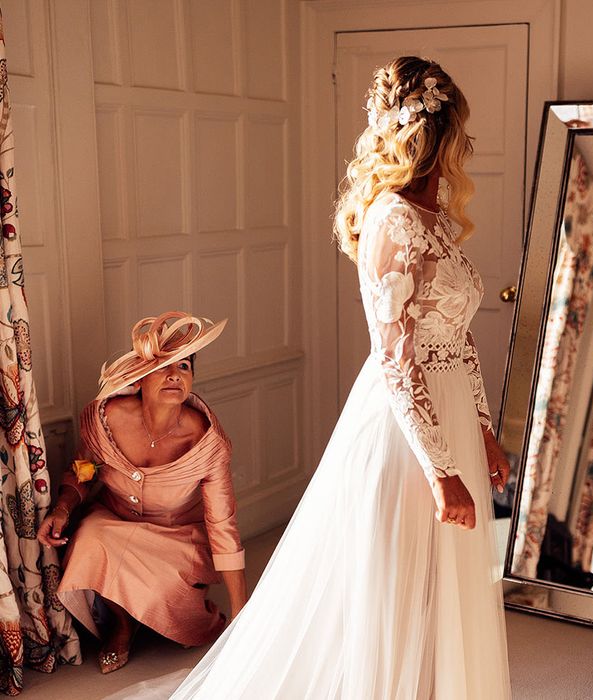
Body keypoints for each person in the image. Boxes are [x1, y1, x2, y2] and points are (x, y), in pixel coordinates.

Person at [124, 55, 512, 699]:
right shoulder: (391, 219)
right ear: (430, 137)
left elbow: (461, 342)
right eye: (459, 133)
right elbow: (395, 359)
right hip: (403, 431)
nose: (466, 147)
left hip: (450, 422)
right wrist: (440, 470)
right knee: (387, 590)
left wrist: (484, 431)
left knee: (446, 590)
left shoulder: (439, 222)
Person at [37, 312, 246, 674]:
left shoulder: (207, 443)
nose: (175, 375)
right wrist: (62, 509)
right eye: (163, 366)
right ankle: (121, 624)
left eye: (184, 366)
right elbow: (81, 472)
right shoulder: (106, 417)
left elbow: (223, 525)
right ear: (140, 376)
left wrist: (243, 614)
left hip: (177, 534)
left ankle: (178, 606)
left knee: (181, 617)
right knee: (90, 538)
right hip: (113, 521)